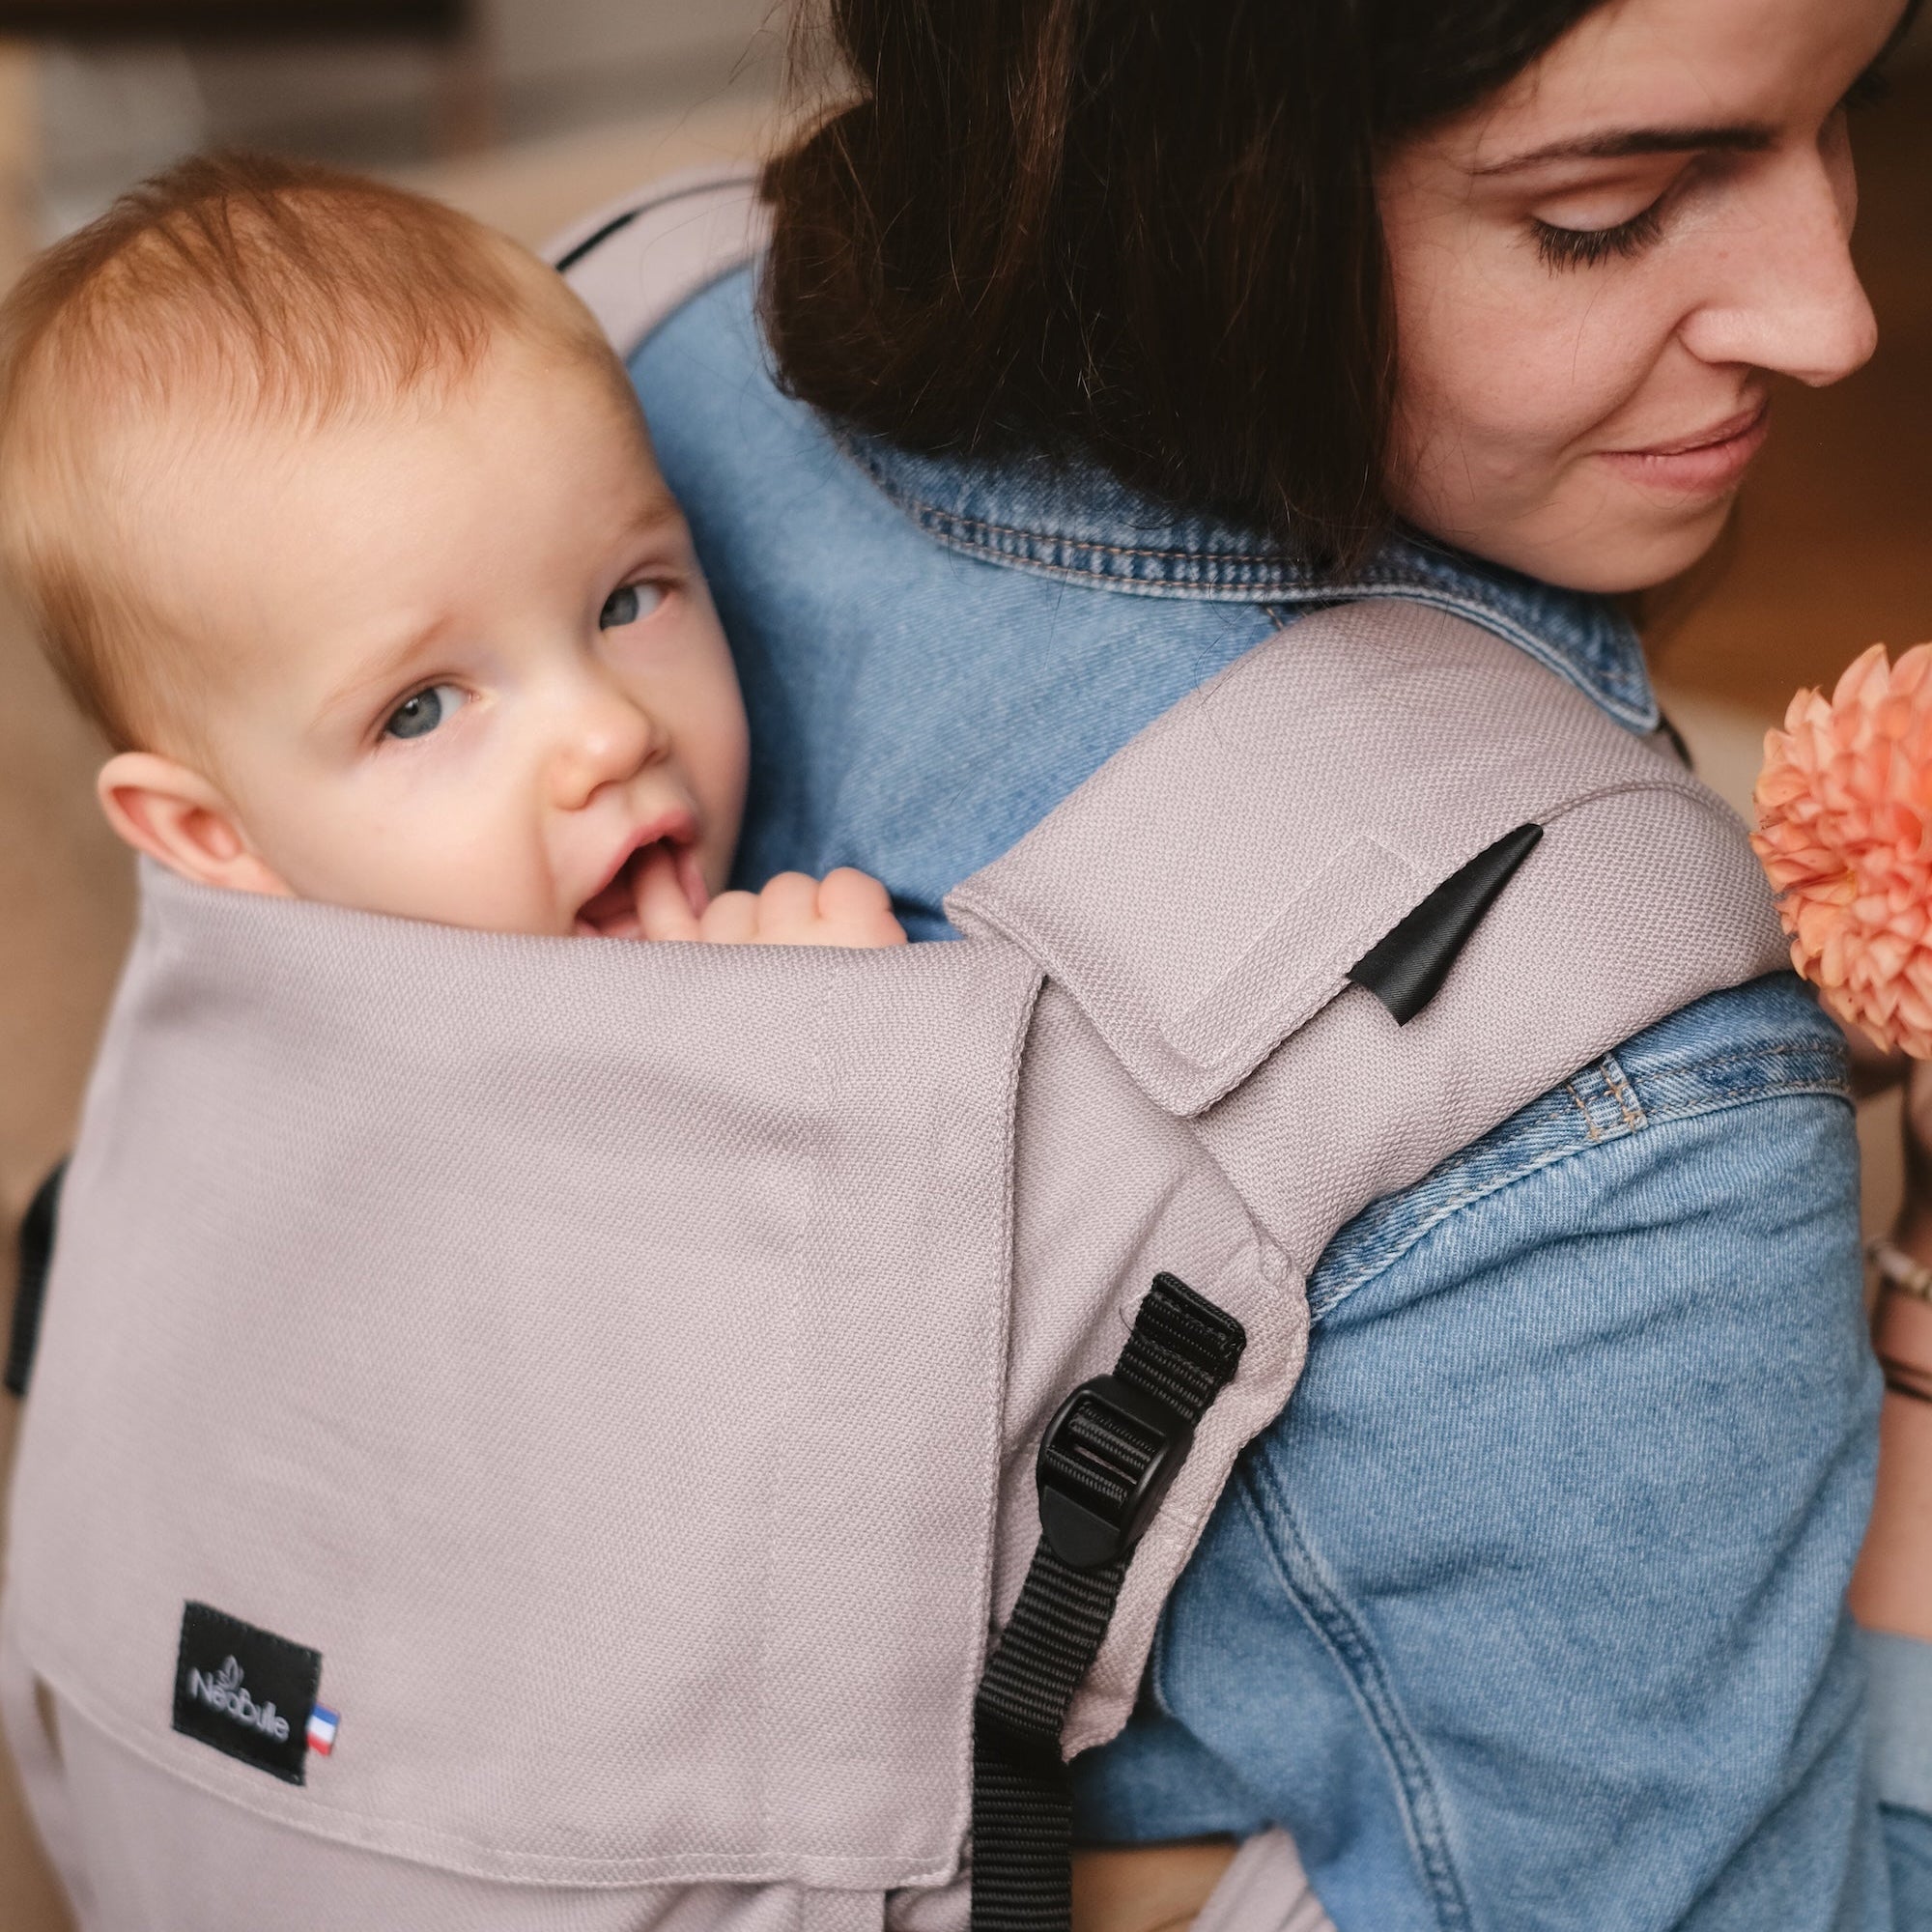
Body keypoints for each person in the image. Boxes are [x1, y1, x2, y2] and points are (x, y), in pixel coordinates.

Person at [612, 0, 1932, 1921]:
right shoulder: (1618, 1110)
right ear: (1190, 172)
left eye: (1847, 104)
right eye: (1611, 210)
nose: (1836, 320)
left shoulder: (633, 326)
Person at [0, 154, 904, 952]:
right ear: (214, 834)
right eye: (420, 710)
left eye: (625, 602)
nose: (613, 735)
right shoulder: (343, 1077)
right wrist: (816, 1051)